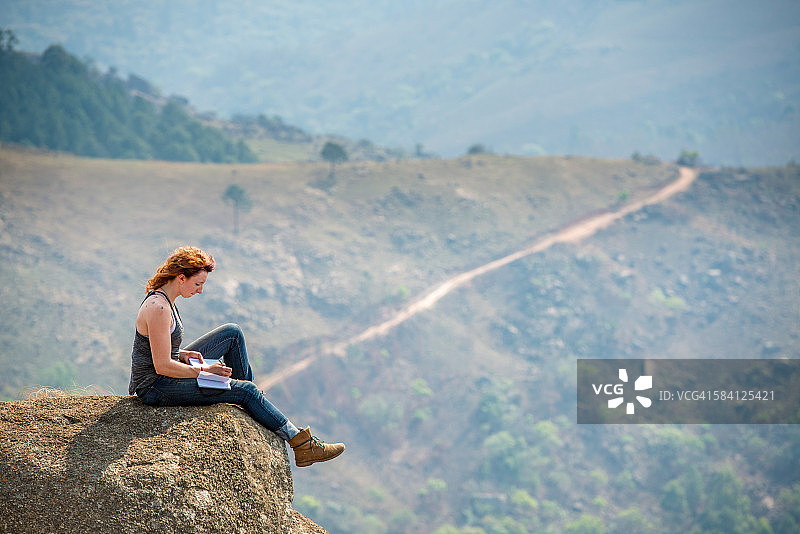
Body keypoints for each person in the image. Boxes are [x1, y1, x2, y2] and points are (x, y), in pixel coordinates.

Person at [129, 245, 344, 467]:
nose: (200, 290)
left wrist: (182, 353)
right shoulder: (159, 308)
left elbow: (156, 347)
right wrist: (204, 370)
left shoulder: (165, 300)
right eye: (198, 284)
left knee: (232, 333)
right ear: (181, 278)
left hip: (167, 370)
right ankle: (302, 445)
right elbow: (162, 366)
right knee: (247, 391)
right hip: (156, 386)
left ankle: (250, 399)